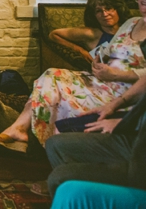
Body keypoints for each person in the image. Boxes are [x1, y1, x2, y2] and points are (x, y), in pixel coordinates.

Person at [0, 0, 146, 152]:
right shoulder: (130, 23)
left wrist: (116, 74)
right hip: (101, 80)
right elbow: (109, 50)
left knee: (46, 89)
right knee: (51, 75)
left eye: (109, 9)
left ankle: (23, 132)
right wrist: (98, 61)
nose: (105, 14)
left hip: (126, 90)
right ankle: (21, 131)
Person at [43, 69, 146, 198]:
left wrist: (125, 123)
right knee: (54, 144)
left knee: (60, 178)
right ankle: (82, 196)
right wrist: (115, 105)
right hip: (137, 136)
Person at [49, 0, 129, 62]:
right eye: (98, 11)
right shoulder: (92, 33)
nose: (105, 14)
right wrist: (81, 51)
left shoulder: (130, 29)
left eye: (108, 8)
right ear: (94, 15)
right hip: (102, 76)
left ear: (118, 10)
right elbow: (54, 35)